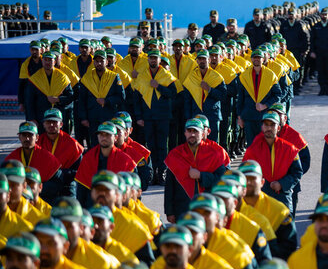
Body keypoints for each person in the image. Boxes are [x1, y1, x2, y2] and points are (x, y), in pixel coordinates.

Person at [164, 118, 230, 222]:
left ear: (203, 133)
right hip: (182, 210)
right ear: (185, 133)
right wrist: (169, 212)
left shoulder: (214, 153)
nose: (192, 134)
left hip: (207, 209)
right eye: (189, 131)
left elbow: (222, 181)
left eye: (196, 131)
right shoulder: (175, 154)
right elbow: (169, 187)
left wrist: (201, 175)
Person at [242, 111, 303, 213]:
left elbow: (297, 172)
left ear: (278, 128)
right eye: (266, 124)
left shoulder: (290, 149)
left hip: (283, 198)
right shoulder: (253, 150)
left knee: (285, 228)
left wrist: (282, 184)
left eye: (272, 125)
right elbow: (244, 174)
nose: (269, 128)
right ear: (262, 127)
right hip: (259, 198)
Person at [132, 49, 176, 186]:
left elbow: (173, 93)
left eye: (155, 58)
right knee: (150, 146)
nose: (153, 60)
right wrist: (139, 117)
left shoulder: (165, 75)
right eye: (151, 58)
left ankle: (162, 174)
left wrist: (159, 87)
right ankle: (152, 174)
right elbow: (137, 99)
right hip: (148, 117)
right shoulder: (143, 76)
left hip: (163, 116)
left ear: (159, 60)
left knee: (162, 146)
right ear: (148, 60)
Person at [74, 122, 136, 207]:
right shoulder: (88, 157)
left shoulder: (125, 160)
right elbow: (81, 190)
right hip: (93, 205)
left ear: (115, 137)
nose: (104, 137)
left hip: (117, 205)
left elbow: (133, 192)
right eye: (101, 135)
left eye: (108, 135)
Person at [77, 50, 125, 146]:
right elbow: (81, 100)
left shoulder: (114, 77)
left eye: (101, 61)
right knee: (94, 146)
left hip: (109, 117)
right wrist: (84, 118)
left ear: (107, 62)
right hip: (92, 118)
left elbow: (121, 97)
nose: (99, 63)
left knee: (110, 145)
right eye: (96, 61)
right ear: (93, 62)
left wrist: (107, 101)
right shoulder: (87, 77)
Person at [5, 121, 62, 200]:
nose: (27, 138)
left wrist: (34, 190)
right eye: (24, 135)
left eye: (30, 135)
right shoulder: (11, 158)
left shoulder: (48, 157)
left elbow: (56, 184)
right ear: (19, 137)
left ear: (37, 138)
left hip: (42, 198)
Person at [237, 49, 282, 146]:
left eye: (259, 57)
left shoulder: (270, 75)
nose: (256, 59)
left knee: (265, 145)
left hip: (265, 117)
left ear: (263, 59)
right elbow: (240, 98)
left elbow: (278, 94)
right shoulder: (244, 76)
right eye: (254, 57)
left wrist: (265, 105)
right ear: (251, 59)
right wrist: (239, 116)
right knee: (251, 145)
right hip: (249, 116)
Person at [182, 49, 226, 142]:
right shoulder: (191, 77)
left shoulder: (217, 77)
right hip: (196, 115)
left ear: (209, 60)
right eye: (200, 59)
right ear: (197, 61)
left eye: (204, 59)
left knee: (213, 144)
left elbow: (222, 96)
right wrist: (188, 117)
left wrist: (209, 89)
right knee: (197, 143)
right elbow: (187, 100)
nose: (202, 61)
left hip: (212, 115)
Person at [24, 51, 73, 126]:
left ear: (55, 61)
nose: (47, 62)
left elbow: (70, 97)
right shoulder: (35, 79)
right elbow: (29, 101)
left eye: (50, 60)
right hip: (40, 117)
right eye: (45, 60)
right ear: (42, 61)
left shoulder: (63, 78)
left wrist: (58, 99)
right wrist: (31, 118)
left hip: (59, 117)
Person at [310, 8, 328, 96]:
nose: (324, 16)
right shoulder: (316, 26)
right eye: (323, 14)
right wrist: (312, 51)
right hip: (319, 52)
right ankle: (322, 88)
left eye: (326, 14)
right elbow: (312, 40)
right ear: (320, 15)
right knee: (320, 71)